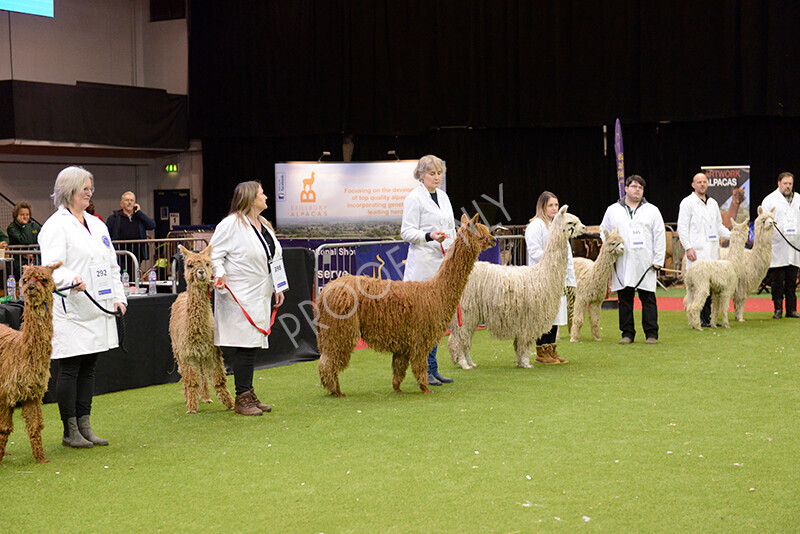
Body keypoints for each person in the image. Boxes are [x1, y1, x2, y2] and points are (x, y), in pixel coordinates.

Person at [38, 166, 127, 448]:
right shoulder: (55, 226)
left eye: (91, 188)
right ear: (69, 191)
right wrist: (69, 279)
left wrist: (119, 297)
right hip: (72, 307)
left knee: (90, 366)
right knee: (71, 366)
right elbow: (51, 266)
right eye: (84, 188)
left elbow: (111, 264)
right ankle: (69, 430)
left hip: (97, 305)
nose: (89, 193)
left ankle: (85, 425)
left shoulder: (98, 224)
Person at [210, 181, 286, 415]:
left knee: (252, 344)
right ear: (251, 199)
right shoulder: (230, 224)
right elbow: (215, 254)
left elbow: (273, 257)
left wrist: (279, 285)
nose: (266, 197)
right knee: (245, 345)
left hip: (260, 292)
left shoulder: (264, 225)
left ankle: (247, 393)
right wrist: (219, 275)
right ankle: (243, 398)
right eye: (262, 193)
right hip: (238, 294)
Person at [401, 154, 456, 386]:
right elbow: (406, 232)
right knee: (423, 322)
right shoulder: (414, 198)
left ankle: (432, 367)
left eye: (439, 173)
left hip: (442, 266)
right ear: (421, 175)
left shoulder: (443, 197)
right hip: (423, 266)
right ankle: (422, 369)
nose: (436, 177)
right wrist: (429, 236)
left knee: (437, 321)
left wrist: (453, 249)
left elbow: (451, 228)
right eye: (432, 173)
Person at [600, 175, 666, 344]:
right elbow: (604, 231)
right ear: (626, 188)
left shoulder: (652, 210)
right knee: (625, 298)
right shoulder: (613, 210)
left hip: (645, 261)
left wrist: (658, 259)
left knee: (648, 298)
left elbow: (659, 235)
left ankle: (651, 333)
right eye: (634, 186)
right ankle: (627, 334)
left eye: (640, 187)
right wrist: (611, 247)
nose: (637, 190)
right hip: (623, 260)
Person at [525, 191, 575, 364]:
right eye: (551, 205)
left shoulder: (557, 225)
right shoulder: (536, 225)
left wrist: (569, 278)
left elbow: (566, 252)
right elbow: (534, 251)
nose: (554, 208)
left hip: (556, 277)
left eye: (556, 205)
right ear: (543, 207)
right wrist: (552, 261)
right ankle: (541, 351)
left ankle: (551, 349)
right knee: (543, 314)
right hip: (540, 276)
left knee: (556, 312)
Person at [677, 172, 732, 327]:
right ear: (693, 185)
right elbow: (682, 228)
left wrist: (733, 235)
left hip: (712, 252)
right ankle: (697, 318)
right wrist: (688, 248)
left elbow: (718, 226)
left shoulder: (713, 203)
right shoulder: (687, 203)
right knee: (697, 287)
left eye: (704, 182)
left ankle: (707, 318)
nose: (702, 184)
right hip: (697, 252)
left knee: (709, 287)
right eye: (699, 182)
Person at [761, 172, 800, 319]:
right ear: (779, 183)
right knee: (777, 280)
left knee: (792, 281)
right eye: (785, 183)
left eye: (790, 184)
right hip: (778, 246)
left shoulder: (799, 199)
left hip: (794, 245)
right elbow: (763, 220)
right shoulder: (770, 200)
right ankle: (777, 309)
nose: (788, 186)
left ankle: (791, 310)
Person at [106, 191, 156, 275]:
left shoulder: (139, 217)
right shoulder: (114, 218)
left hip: (137, 253)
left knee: (134, 274)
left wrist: (139, 213)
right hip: (120, 253)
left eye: (132, 200)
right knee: (121, 274)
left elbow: (152, 225)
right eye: (127, 200)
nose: (129, 202)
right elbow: (106, 233)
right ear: (121, 204)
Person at [6, 201, 42, 279]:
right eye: (22, 215)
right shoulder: (12, 228)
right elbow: (25, 241)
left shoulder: (34, 226)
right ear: (16, 215)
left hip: (35, 260)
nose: (25, 217)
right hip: (18, 262)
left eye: (27, 215)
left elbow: (40, 240)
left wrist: (33, 252)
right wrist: (25, 226)